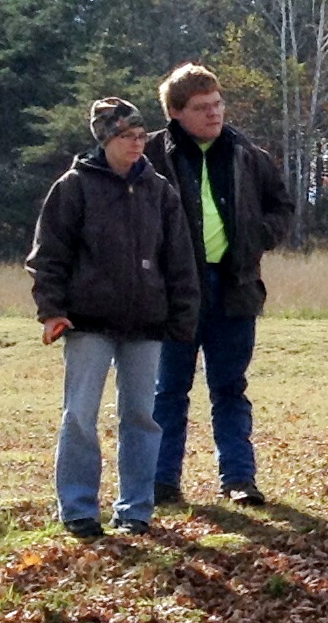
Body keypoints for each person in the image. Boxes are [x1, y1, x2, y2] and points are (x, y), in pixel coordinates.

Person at [27, 98, 201, 539]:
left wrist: (181, 319)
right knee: (80, 416)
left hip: (146, 325)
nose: (137, 144)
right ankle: (79, 508)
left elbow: (179, 261)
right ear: (105, 138)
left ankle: (136, 510)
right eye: (127, 136)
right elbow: (49, 256)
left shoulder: (160, 191)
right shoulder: (73, 187)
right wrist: (52, 312)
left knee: (142, 416)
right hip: (86, 324)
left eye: (141, 136)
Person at [144, 63, 293, 508]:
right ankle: (161, 481)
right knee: (169, 390)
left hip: (235, 286)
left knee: (230, 388)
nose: (214, 114)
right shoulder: (153, 154)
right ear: (175, 112)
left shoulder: (247, 152)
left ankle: (239, 479)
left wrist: (254, 239)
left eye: (217, 104)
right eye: (201, 107)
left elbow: (281, 206)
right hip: (174, 294)